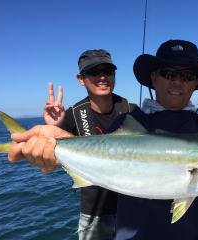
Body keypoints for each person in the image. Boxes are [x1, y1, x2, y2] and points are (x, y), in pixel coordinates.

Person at [7, 40, 198, 240]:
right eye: (168, 73)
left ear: (196, 83)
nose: (177, 81)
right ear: (153, 78)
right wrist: (57, 144)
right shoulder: (130, 122)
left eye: (187, 75)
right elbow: (99, 156)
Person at [43, 49, 138, 240]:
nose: (102, 77)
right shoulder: (71, 116)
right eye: (94, 72)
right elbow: (49, 164)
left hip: (132, 208)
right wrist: (55, 127)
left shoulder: (133, 112)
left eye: (108, 71)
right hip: (94, 212)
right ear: (80, 79)